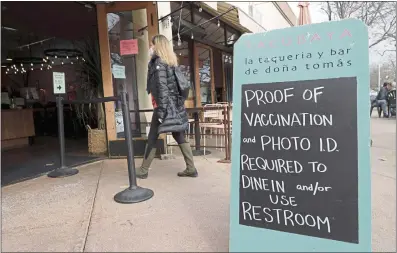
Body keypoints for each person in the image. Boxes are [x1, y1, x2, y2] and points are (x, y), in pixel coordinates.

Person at [135, 34, 198, 179]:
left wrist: (161, 111)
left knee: (152, 137)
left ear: (157, 46)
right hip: (174, 106)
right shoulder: (170, 62)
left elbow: (162, 89)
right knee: (179, 134)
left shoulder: (159, 64)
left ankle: (143, 170)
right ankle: (191, 168)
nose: (150, 48)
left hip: (164, 107)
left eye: (151, 45)